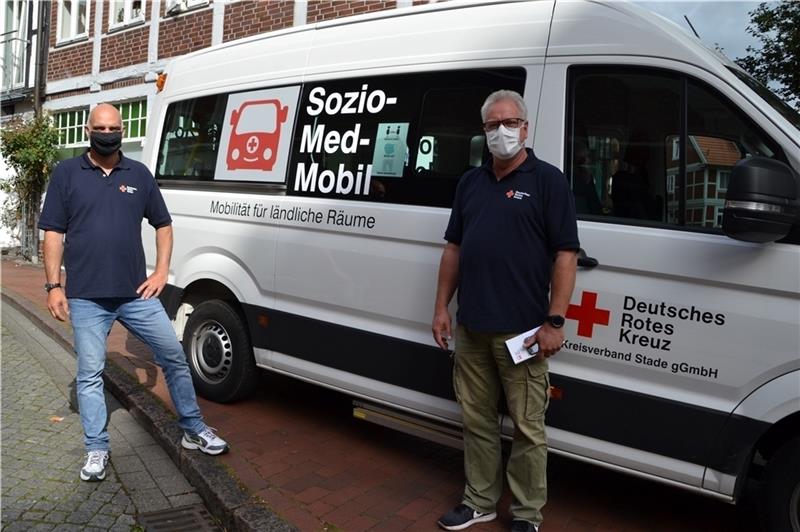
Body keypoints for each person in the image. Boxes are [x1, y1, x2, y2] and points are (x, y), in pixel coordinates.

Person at [38, 103, 229, 483]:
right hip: (87, 297)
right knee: (90, 374)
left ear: (122, 131)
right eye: (100, 128)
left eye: (114, 128)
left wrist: (161, 271)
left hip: (135, 295)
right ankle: (97, 447)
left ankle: (193, 428)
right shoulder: (67, 173)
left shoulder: (139, 174)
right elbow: (53, 232)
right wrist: (54, 286)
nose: (107, 134)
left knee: (173, 356)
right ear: (88, 130)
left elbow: (164, 225)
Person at [432, 90, 579, 532]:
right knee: (476, 420)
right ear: (484, 131)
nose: (502, 132)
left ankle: (527, 515)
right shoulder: (470, 183)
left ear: (526, 128)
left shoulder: (548, 181)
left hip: (524, 333)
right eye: (493, 125)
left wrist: (554, 321)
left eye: (510, 123)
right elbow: (454, 248)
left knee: (528, 428)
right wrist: (441, 307)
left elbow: (566, 255)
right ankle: (479, 501)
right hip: (472, 327)